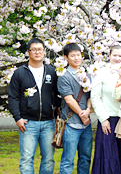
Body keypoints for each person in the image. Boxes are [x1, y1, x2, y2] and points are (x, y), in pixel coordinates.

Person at [8, 38, 60, 174]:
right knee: (26, 159)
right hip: (27, 123)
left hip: (49, 122)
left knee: (48, 159)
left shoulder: (52, 71)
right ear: (28, 52)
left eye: (40, 49)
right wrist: (18, 118)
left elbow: (58, 94)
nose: (37, 52)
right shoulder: (20, 72)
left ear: (44, 52)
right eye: (34, 49)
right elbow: (13, 97)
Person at [91, 45, 121, 174]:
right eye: (114, 55)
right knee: (108, 153)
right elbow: (95, 97)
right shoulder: (101, 72)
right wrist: (103, 119)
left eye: (120, 56)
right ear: (109, 56)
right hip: (108, 119)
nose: (117, 58)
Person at [58, 43, 93, 174]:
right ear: (66, 57)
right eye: (73, 55)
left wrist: (88, 109)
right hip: (71, 123)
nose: (76, 58)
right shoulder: (64, 76)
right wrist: (82, 115)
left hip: (86, 125)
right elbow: (69, 99)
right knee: (68, 160)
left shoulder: (87, 74)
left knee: (85, 158)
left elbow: (91, 95)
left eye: (78, 55)